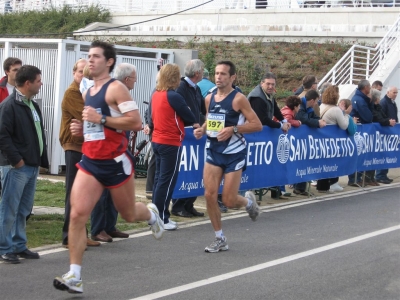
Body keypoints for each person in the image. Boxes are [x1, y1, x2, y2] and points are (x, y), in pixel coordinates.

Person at [53, 41, 164, 294]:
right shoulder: (88, 91)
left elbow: (135, 122)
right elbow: (95, 127)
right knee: (77, 215)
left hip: (115, 161)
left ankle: (150, 214)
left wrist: (101, 118)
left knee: (128, 214)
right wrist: (82, 128)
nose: (90, 61)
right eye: (88, 56)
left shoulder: (117, 89)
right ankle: (75, 275)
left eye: (95, 57)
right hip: (91, 162)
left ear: (109, 62)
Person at [193, 60, 262, 253]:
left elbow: (257, 125)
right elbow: (210, 119)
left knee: (229, 200)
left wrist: (233, 129)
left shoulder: (238, 99)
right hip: (213, 150)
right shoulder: (209, 98)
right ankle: (219, 238)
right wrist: (202, 130)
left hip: (234, 153)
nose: (218, 77)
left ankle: (248, 203)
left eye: (223, 74)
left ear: (232, 77)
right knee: (209, 194)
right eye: (216, 73)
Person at [0, 65, 49, 264]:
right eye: (38, 81)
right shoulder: (9, 105)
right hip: (16, 167)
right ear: (27, 83)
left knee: (24, 209)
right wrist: (17, 161)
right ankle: (5, 247)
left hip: (32, 165)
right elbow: (3, 136)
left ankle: (19, 245)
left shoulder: (32, 105)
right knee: (9, 208)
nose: (41, 84)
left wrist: (40, 161)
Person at [90, 63, 138, 243]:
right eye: (134, 78)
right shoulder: (111, 93)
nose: (136, 81)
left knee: (114, 190)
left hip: (120, 147)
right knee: (102, 192)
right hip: (107, 148)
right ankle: (97, 229)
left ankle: (110, 226)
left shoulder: (121, 93)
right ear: (126, 79)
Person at [149, 63, 197, 231]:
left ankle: (155, 214)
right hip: (170, 141)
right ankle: (162, 217)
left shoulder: (156, 94)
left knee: (159, 180)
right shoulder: (173, 96)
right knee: (167, 181)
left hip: (157, 140)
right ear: (175, 78)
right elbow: (190, 116)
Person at [59, 59, 101, 248]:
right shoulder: (72, 93)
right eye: (80, 73)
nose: (84, 76)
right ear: (74, 73)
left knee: (84, 193)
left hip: (85, 145)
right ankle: (69, 236)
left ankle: (81, 234)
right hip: (74, 145)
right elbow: (87, 114)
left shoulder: (88, 92)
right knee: (73, 192)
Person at [171, 59, 206, 219]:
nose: (204, 72)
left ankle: (189, 204)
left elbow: (201, 110)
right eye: (203, 70)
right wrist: (193, 122)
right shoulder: (181, 88)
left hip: (197, 135)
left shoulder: (196, 89)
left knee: (196, 171)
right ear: (197, 73)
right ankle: (178, 205)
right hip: (185, 135)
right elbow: (179, 111)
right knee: (184, 171)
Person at [316, 86, 351, 192]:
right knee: (331, 163)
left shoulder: (321, 106)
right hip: (332, 142)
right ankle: (330, 184)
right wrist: (345, 114)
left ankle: (322, 185)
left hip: (321, 140)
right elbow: (344, 125)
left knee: (323, 163)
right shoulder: (336, 110)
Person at [293, 89, 326, 195]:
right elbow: (304, 120)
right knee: (300, 162)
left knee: (305, 162)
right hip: (297, 139)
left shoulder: (309, 107)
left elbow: (314, 117)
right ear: (312, 100)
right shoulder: (300, 105)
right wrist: (317, 123)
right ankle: (298, 187)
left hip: (305, 140)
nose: (316, 103)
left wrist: (320, 121)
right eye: (316, 101)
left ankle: (301, 187)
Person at [0, 57, 22, 196]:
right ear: (7, 71)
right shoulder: (1, 89)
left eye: (21, 69)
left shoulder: (23, 88)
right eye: (15, 70)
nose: (19, 73)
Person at [348, 79, 373, 186]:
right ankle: (354, 179)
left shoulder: (360, 98)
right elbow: (368, 117)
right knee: (357, 155)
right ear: (365, 88)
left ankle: (356, 178)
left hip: (360, 131)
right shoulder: (360, 100)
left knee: (360, 154)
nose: (370, 89)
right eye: (369, 87)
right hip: (358, 132)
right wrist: (370, 102)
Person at [375, 86, 398, 184]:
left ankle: (384, 174)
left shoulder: (392, 103)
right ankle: (380, 174)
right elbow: (382, 116)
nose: (396, 94)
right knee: (383, 153)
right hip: (384, 132)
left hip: (391, 131)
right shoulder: (384, 102)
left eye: (397, 93)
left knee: (388, 153)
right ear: (388, 92)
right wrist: (389, 122)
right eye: (394, 92)